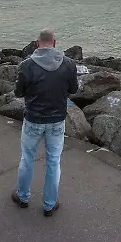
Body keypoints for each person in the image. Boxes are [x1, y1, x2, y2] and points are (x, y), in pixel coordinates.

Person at [11, 29, 78, 217]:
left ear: (37, 43)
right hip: (57, 120)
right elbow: (73, 89)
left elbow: (18, 93)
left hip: (33, 118)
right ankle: (49, 204)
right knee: (53, 162)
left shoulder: (26, 65)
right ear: (54, 43)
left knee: (27, 159)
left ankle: (23, 197)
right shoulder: (68, 64)